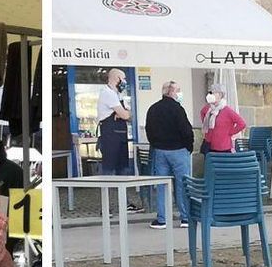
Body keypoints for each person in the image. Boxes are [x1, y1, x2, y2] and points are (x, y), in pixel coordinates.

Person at [145, 80, 194, 230]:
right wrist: (189, 147)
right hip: (179, 151)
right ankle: (185, 218)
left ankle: (162, 219)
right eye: (178, 90)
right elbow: (186, 131)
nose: (180, 93)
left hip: (160, 152)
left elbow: (149, 130)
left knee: (162, 185)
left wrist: (156, 145)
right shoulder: (178, 109)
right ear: (171, 92)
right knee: (182, 185)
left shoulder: (153, 109)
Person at [96, 68, 143, 212]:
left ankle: (125, 204)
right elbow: (125, 115)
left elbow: (129, 114)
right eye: (124, 79)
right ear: (117, 78)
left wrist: (123, 114)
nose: (125, 82)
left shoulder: (117, 95)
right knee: (108, 173)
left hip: (120, 137)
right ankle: (105, 208)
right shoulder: (108, 94)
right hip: (110, 138)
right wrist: (122, 114)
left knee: (122, 171)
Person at [199, 82, 246, 154]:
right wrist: (206, 124)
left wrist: (230, 132)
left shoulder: (227, 110)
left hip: (223, 147)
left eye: (213, 93)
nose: (211, 95)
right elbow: (202, 113)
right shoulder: (209, 108)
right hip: (209, 145)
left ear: (220, 95)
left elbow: (242, 124)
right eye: (211, 93)